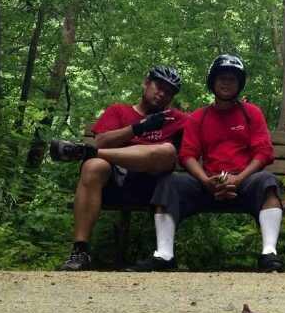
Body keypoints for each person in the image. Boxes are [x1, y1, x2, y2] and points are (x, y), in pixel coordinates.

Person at [128, 54, 284, 273]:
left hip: (245, 182)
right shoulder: (199, 117)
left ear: (239, 84)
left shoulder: (251, 114)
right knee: (169, 182)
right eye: (221, 78)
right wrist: (206, 180)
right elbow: (187, 155)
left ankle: (269, 253)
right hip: (208, 183)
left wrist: (238, 179)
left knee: (267, 181)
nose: (226, 83)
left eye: (232, 79)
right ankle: (164, 255)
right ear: (212, 82)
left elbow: (264, 152)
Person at [49, 65, 187, 271]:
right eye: (159, 86)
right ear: (146, 83)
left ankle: (83, 153)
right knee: (93, 165)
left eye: (169, 92)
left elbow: (208, 127)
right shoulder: (118, 111)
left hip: (155, 184)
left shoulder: (178, 119)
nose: (162, 94)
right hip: (117, 180)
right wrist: (138, 127)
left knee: (167, 152)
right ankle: (80, 251)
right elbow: (97, 141)